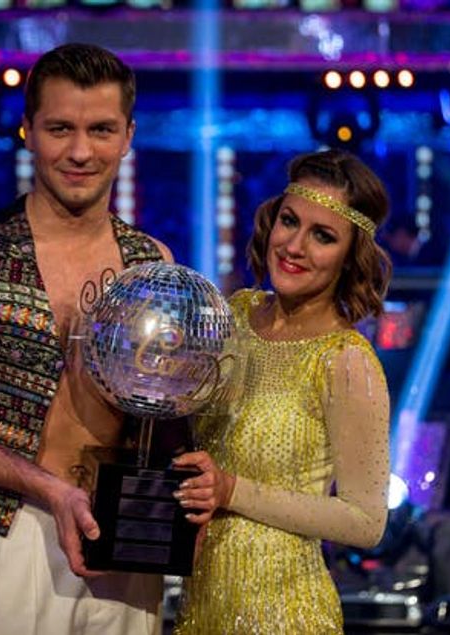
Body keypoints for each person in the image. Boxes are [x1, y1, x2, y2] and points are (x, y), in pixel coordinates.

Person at [0, 43, 173, 635]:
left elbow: (167, 411)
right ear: (27, 130)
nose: (80, 151)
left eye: (100, 130)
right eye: (59, 128)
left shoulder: (153, 263)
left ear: (127, 136)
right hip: (13, 531)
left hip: (125, 537)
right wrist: (49, 489)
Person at [170, 149, 393, 634]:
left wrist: (232, 490)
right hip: (200, 608)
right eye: (289, 221)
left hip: (286, 615)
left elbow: (366, 522)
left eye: (323, 236)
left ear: (350, 257)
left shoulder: (347, 362)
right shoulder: (234, 314)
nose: (294, 246)